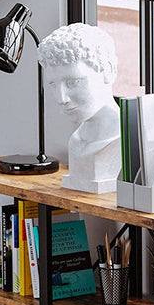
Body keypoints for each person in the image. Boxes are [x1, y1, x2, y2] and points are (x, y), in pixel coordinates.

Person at [38, 23, 121, 193]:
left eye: (73, 82)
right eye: (53, 84)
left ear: (108, 71)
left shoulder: (125, 140)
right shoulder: (76, 142)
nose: (62, 99)